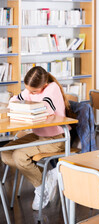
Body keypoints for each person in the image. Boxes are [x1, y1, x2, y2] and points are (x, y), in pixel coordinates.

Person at [2, 66, 71, 211]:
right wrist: (17, 102)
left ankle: (41, 189)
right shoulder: (31, 90)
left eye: (34, 91)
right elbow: (16, 99)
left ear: (44, 85)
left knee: (19, 156)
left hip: (57, 138)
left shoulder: (52, 89)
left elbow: (44, 107)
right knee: (5, 153)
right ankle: (47, 179)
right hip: (39, 135)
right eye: (28, 89)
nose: (30, 93)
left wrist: (26, 106)